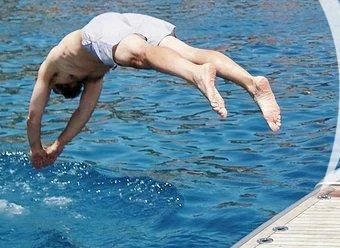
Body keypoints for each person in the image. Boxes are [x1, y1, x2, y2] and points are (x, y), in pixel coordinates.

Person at [27, 12, 282, 167]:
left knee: (140, 56)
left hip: (101, 29)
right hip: (129, 20)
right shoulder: (94, 76)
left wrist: (36, 148)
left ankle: (197, 75)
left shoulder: (49, 69)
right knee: (190, 53)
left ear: (62, 82)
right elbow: (83, 114)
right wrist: (58, 145)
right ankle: (252, 84)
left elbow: (33, 116)